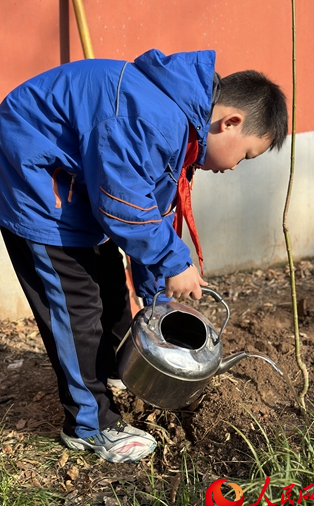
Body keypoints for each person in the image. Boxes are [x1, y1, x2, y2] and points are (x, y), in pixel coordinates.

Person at [0, 49, 288, 463]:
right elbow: (123, 205)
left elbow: (152, 210)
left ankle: (120, 368)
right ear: (231, 122)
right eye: (245, 155)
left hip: (77, 183)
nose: (235, 168)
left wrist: (160, 289)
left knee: (111, 283)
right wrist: (174, 263)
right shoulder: (154, 119)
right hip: (37, 180)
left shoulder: (181, 123)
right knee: (76, 303)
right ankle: (88, 424)